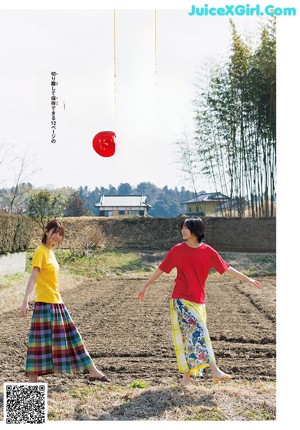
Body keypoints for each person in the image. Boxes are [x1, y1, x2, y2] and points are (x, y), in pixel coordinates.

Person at [137, 217, 262, 387]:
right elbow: (161, 268)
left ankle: (186, 379)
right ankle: (215, 371)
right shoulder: (177, 250)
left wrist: (249, 280)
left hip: (199, 301)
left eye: (186, 228)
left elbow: (226, 268)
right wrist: (145, 286)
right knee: (200, 333)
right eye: (182, 227)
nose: (183, 230)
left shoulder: (208, 251)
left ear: (196, 230)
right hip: (181, 300)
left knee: (189, 338)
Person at [20, 219, 110, 383]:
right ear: (47, 232)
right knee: (40, 344)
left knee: (72, 337)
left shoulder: (51, 252)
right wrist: (25, 300)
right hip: (44, 304)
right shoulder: (40, 251)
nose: (57, 236)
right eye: (55, 232)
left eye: (60, 234)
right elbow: (33, 276)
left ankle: (93, 370)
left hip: (57, 302)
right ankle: (32, 383)